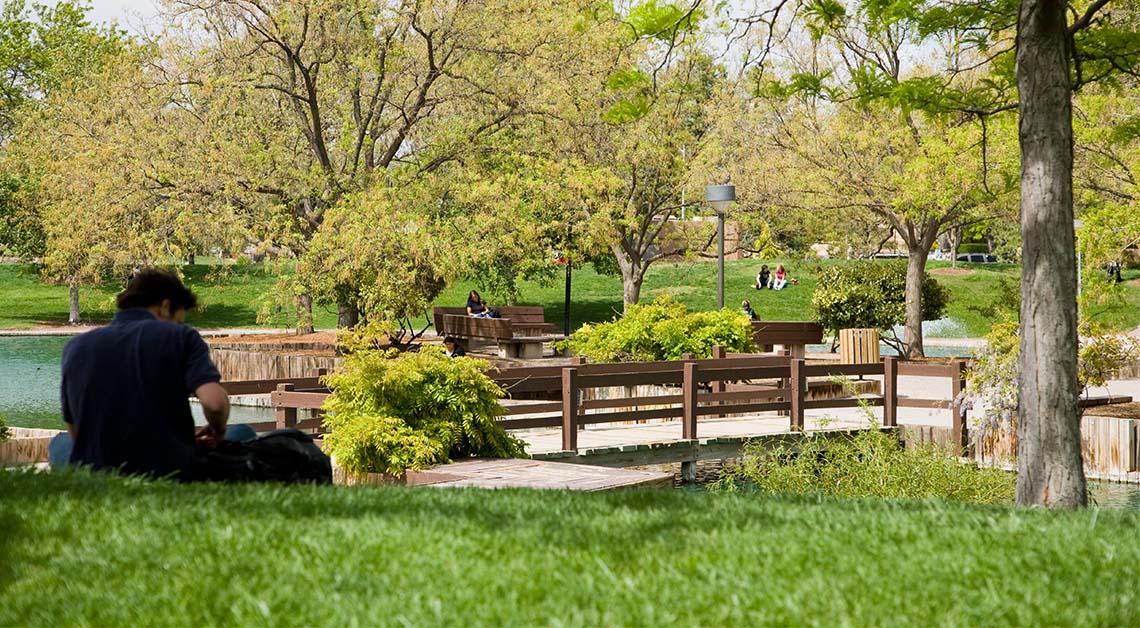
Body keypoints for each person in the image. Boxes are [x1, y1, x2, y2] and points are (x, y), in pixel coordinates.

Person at [49, 268, 249, 480]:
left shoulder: (75, 347)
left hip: (98, 469)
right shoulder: (181, 337)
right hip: (168, 467)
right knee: (242, 432)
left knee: (59, 442)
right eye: (179, 320)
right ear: (165, 306)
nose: (180, 325)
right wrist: (217, 430)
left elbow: (76, 433)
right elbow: (215, 403)